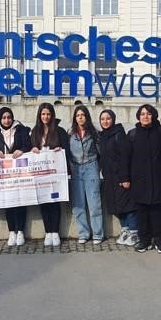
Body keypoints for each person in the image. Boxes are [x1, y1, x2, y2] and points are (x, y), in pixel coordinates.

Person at [127, 103, 161, 254]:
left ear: (154, 116)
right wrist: (125, 177)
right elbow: (126, 158)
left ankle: (159, 240)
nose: (145, 116)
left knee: (158, 211)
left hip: (158, 178)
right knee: (142, 212)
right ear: (138, 116)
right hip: (139, 180)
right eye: (143, 114)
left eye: (148, 114)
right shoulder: (132, 134)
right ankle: (144, 240)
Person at [30, 102, 69, 247]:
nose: (45, 117)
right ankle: (48, 232)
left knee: (55, 202)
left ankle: (55, 232)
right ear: (39, 116)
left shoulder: (60, 131)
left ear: (52, 115)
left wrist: (60, 149)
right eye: (43, 114)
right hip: (41, 174)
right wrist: (33, 148)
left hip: (56, 173)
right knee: (44, 202)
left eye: (48, 114)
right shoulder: (35, 131)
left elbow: (67, 149)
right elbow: (30, 148)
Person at [97, 109, 138, 246]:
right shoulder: (102, 136)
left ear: (113, 119)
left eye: (108, 118)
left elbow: (125, 157)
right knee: (117, 205)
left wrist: (125, 178)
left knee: (129, 206)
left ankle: (134, 232)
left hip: (121, 177)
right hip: (109, 178)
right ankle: (125, 229)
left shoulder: (119, 134)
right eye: (102, 119)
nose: (105, 121)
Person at [0, 106, 31, 246]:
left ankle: (20, 231)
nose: (7, 120)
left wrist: (22, 150)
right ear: (0, 119)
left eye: (9, 117)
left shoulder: (21, 130)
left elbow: (28, 145)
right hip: (4, 172)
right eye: (4, 118)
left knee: (21, 200)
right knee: (8, 201)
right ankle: (11, 231)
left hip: (19, 170)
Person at [67, 104, 104, 244]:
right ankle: (83, 233)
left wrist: (97, 168)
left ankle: (98, 234)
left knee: (94, 203)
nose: (80, 117)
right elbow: (68, 153)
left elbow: (101, 154)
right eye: (77, 115)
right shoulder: (70, 134)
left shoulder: (94, 134)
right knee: (78, 204)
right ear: (75, 118)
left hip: (91, 167)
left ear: (86, 117)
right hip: (76, 169)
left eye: (82, 115)